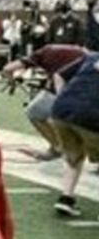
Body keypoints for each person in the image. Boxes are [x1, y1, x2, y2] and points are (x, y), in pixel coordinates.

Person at [1, 43, 88, 161]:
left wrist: (12, 80)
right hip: (87, 88)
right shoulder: (82, 52)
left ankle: (57, 147)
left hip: (65, 89)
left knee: (34, 111)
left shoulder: (42, 53)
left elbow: (8, 68)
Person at [48, 51, 99, 219]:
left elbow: (59, 76)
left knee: (73, 157)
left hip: (61, 110)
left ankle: (66, 198)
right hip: (91, 115)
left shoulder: (92, 56)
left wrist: (64, 98)